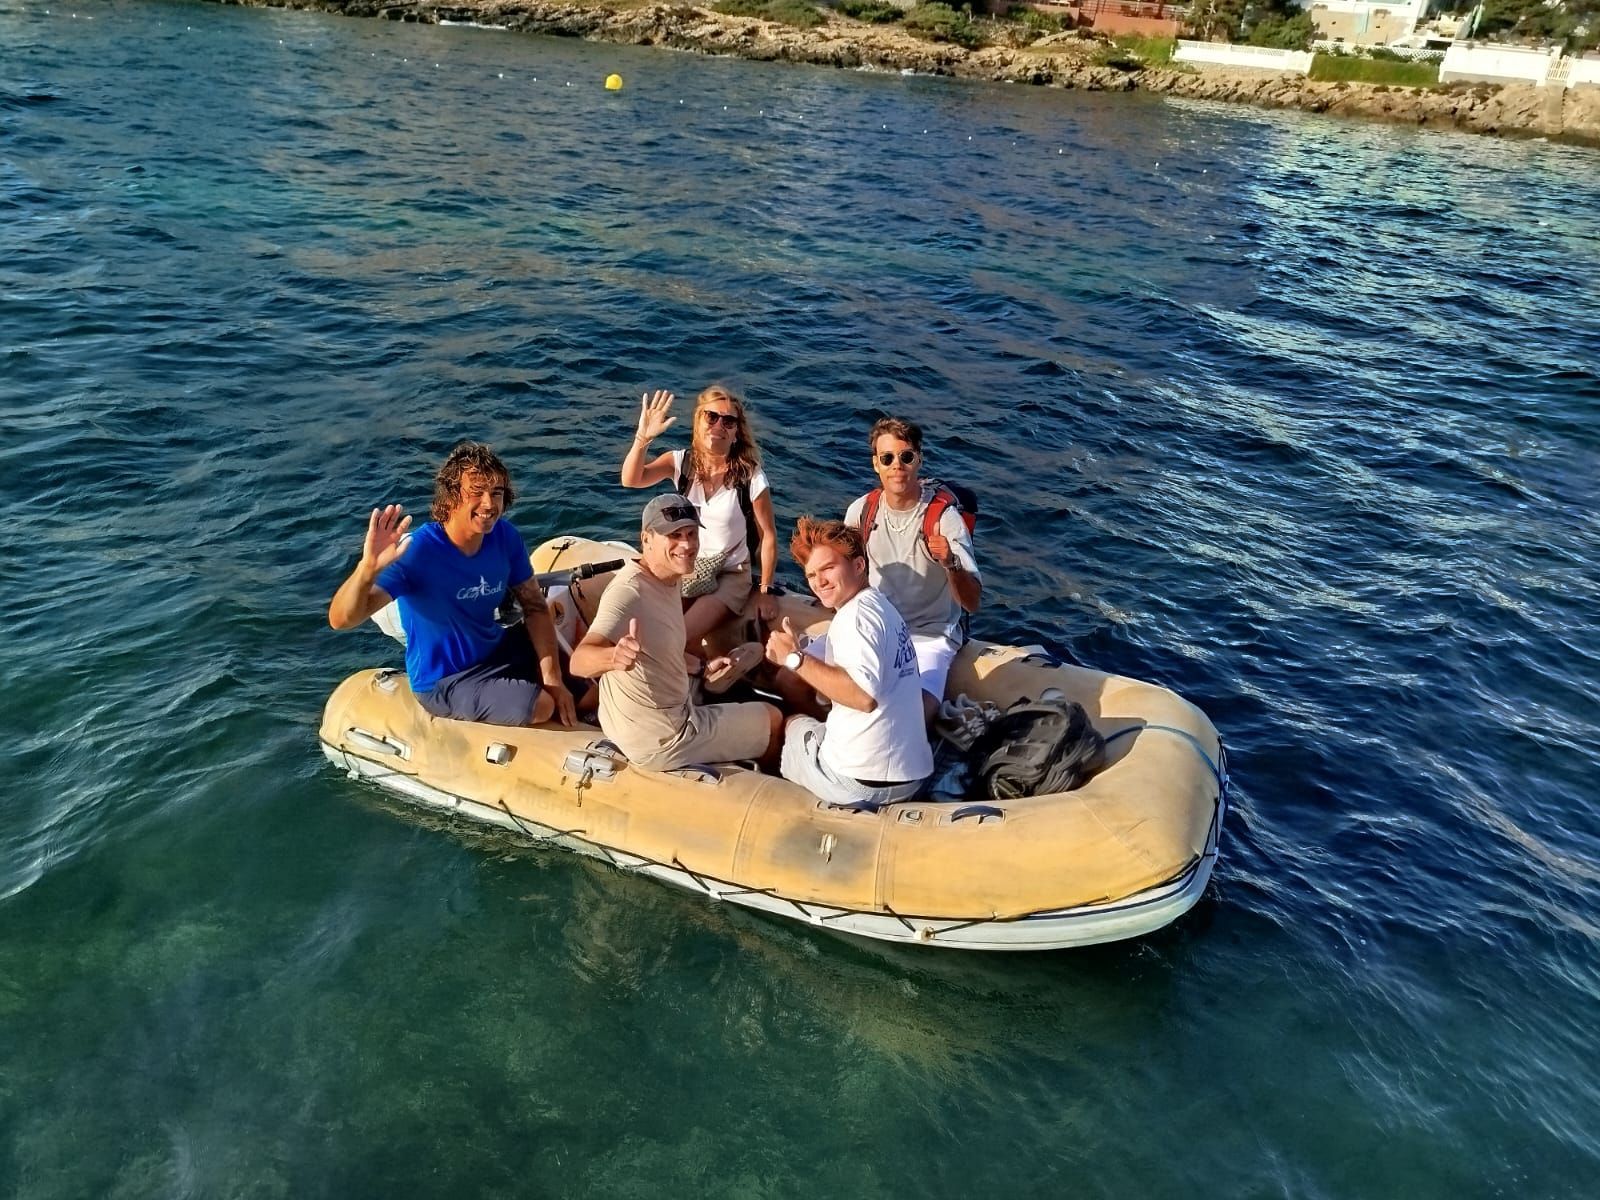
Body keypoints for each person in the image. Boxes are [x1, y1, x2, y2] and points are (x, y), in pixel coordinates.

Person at [328, 442, 576, 728]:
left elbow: (534, 606)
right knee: (542, 706)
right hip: (445, 681)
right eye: (477, 492)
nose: (489, 504)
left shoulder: (505, 537)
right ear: (450, 498)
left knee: (584, 685)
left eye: (496, 493)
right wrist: (366, 570)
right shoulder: (418, 552)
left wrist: (553, 679)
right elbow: (340, 620)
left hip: (496, 650)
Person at [569, 495, 783, 772]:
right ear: (646, 539)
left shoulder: (668, 578)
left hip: (647, 718)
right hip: (664, 738)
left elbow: (662, 652)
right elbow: (579, 661)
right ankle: (768, 782)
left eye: (691, 534)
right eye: (674, 536)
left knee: (718, 668)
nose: (687, 545)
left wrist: (703, 667)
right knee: (774, 718)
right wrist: (613, 657)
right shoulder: (629, 591)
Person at [765, 518, 933, 809]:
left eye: (828, 568)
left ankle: (769, 796)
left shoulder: (854, 618)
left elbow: (863, 697)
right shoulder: (882, 608)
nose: (819, 582)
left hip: (858, 784)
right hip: (911, 776)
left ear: (858, 566)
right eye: (812, 574)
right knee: (819, 723)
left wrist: (794, 658)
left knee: (789, 724)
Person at [619, 385, 780, 648]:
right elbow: (631, 479)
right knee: (641, 622)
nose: (719, 425)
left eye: (728, 421)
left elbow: (768, 536)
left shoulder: (750, 477)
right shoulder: (680, 463)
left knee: (678, 634)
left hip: (730, 574)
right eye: (711, 416)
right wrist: (643, 438)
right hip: (687, 565)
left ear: (736, 433)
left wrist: (766, 589)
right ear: (698, 421)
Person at [844, 417, 981, 720]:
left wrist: (951, 563)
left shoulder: (944, 520)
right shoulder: (861, 512)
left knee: (914, 714)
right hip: (878, 628)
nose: (897, 466)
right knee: (801, 679)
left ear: (919, 459)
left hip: (930, 635)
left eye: (906, 456)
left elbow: (972, 602)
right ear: (876, 464)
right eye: (887, 458)